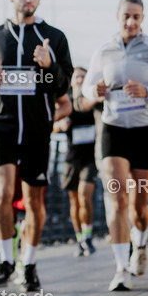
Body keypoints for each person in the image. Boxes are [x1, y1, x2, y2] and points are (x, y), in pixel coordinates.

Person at [0, 0, 73, 292]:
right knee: (1, 193)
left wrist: (48, 66)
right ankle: (4, 260)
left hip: (36, 129)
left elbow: (64, 85)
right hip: (1, 126)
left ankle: (28, 263)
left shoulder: (53, 37)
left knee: (33, 199)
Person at [82, 0, 148, 291]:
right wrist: (96, 89)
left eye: (137, 17)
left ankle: (141, 243)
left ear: (143, 19)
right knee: (117, 198)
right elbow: (88, 85)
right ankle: (120, 269)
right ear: (117, 16)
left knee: (139, 206)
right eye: (127, 16)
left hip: (146, 131)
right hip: (114, 130)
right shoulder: (104, 50)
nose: (131, 22)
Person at [54, 67, 100, 256]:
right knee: (74, 202)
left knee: (84, 195)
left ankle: (88, 235)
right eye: (77, 77)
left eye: (83, 77)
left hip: (91, 158)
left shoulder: (92, 103)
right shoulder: (66, 103)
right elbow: (50, 124)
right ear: (71, 81)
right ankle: (80, 238)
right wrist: (60, 125)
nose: (80, 80)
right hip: (72, 159)